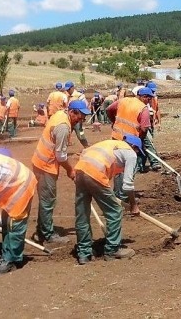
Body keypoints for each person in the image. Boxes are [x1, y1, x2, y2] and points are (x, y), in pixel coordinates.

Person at [73, 135, 143, 264]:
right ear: (134, 147)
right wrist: (133, 205)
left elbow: (85, 153)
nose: (137, 154)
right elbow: (127, 185)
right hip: (95, 174)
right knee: (115, 211)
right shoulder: (131, 153)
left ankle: (83, 253)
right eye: (138, 151)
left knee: (82, 214)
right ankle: (112, 249)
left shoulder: (109, 144)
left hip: (80, 170)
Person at [30, 100, 91, 246]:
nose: (81, 120)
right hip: (46, 166)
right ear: (72, 112)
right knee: (48, 200)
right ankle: (47, 235)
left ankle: (42, 230)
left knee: (46, 199)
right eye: (80, 117)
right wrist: (70, 170)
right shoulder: (63, 127)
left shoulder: (60, 115)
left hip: (42, 162)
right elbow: (61, 156)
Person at [137, 87, 162, 172]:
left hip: (144, 126)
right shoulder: (141, 106)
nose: (151, 99)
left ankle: (139, 166)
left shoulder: (144, 104)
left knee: (142, 146)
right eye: (149, 98)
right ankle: (154, 162)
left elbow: (156, 111)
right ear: (144, 96)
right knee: (147, 144)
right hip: (140, 127)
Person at [65, 81, 90, 148]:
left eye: (69, 89)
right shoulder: (66, 95)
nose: (67, 91)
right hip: (68, 118)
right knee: (66, 134)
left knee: (80, 134)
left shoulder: (80, 95)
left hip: (77, 119)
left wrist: (83, 117)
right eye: (66, 89)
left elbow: (86, 106)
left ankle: (86, 147)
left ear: (73, 88)